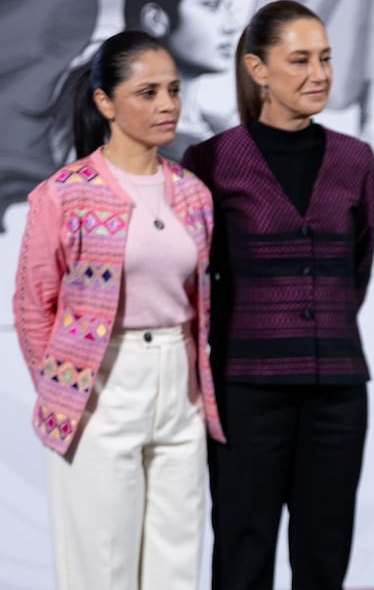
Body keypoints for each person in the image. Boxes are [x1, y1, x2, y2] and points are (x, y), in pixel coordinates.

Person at [12, 30, 224, 590]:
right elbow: (33, 305)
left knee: (177, 565)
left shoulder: (194, 194)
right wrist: (62, 389)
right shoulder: (64, 194)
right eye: (148, 92)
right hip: (97, 387)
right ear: (105, 102)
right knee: (101, 569)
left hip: (180, 388)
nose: (167, 104)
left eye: (173, 90)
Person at [182, 0, 374, 590]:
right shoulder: (212, 160)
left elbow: (356, 267)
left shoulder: (355, 159)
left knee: (324, 557)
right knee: (242, 552)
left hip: (337, 392)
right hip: (247, 390)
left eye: (326, 58)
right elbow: (199, 277)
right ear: (258, 69)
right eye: (300, 60)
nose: (319, 74)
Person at [124, 0, 240, 159]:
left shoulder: (224, 130)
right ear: (156, 19)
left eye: (228, 8)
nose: (231, 25)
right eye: (211, 5)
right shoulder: (120, 135)